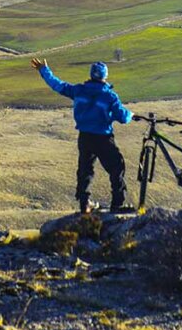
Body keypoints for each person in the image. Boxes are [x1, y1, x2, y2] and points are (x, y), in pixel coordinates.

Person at [31, 57, 135, 214]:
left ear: (91, 75)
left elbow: (57, 85)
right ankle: (117, 204)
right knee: (116, 167)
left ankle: (84, 204)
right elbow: (122, 117)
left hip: (85, 136)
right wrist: (131, 114)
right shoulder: (109, 96)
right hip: (103, 137)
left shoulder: (79, 90)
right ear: (104, 76)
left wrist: (44, 70)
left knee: (85, 169)